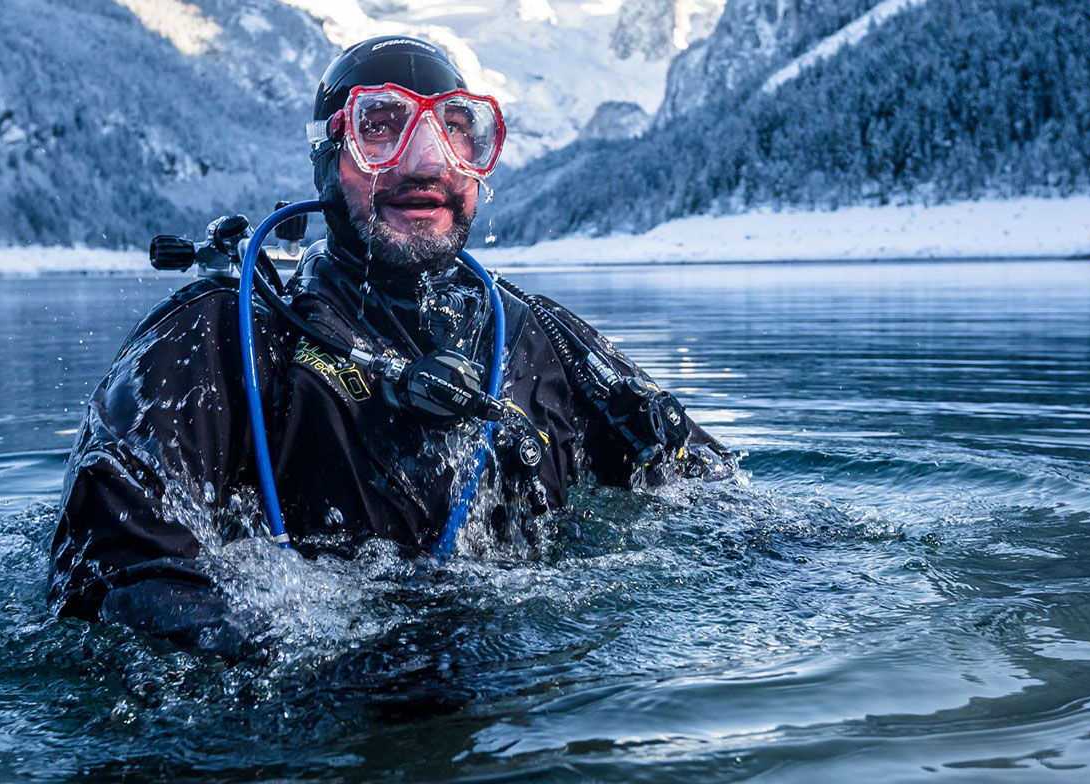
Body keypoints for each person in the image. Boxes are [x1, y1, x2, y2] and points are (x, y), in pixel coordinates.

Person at [47, 36, 735, 653]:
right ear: (328, 157)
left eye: (459, 132)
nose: (426, 162)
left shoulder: (538, 340)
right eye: (381, 129)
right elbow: (109, 576)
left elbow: (714, 497)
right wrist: (334, 675)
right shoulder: (228, 339)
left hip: (521, 723)